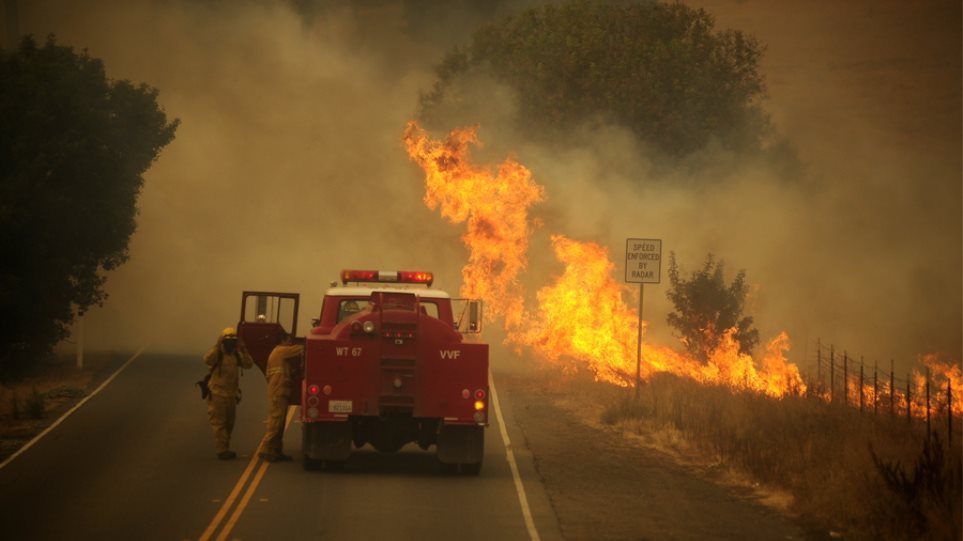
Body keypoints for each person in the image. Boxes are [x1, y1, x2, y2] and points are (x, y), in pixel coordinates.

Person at [203, 327, 254, 460]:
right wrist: (217, 345)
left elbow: (249, 365)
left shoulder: (235, 355)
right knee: (219, 424)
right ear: (223, 341)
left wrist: (244, 350)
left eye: (233, 341)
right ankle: (222, 450)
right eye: (228, 341)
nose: (231, 344)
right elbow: (207, 359)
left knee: (229, 424)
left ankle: (225, 447)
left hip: (231, 395)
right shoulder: (217, 354)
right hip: (217, 395)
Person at [256, 332, 304, 463]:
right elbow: (298, 350)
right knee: (276, 423)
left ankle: (276, 451)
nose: (290, 344)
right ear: (282, 341)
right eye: (288, 341)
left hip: (280, 391)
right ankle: (265, 450)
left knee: (280, 423)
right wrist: (311, 343)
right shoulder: (281, 351)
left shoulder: (278, 355)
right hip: (278, 392)